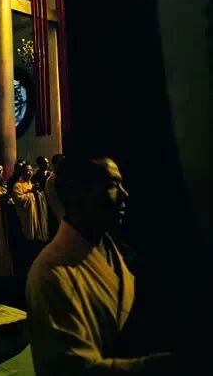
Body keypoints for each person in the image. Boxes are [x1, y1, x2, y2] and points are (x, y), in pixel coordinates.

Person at [26, 156, 174, 375]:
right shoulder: (51, 273)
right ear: (78, 194)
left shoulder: (120, 252)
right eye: (112, 185)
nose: (124, 194)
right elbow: (72, 368)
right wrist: (163, 366)